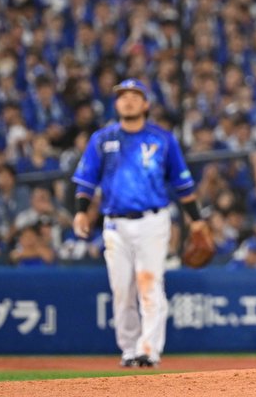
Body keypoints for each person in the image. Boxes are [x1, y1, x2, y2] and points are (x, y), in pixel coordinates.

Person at [72, 79, 204, 369]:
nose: (128, 100)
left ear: (146, 104)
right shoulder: (102, 139)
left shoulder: (163, 139)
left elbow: (183, 184)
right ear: (116, 103)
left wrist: (196, 221)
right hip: (115, 225)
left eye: (135, 95)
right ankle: (129, 349)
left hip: (152, 221)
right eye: (122, 96)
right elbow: (86, 181)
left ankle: (149, 349)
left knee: (150, 284)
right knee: (122, 290)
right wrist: (81, 212)